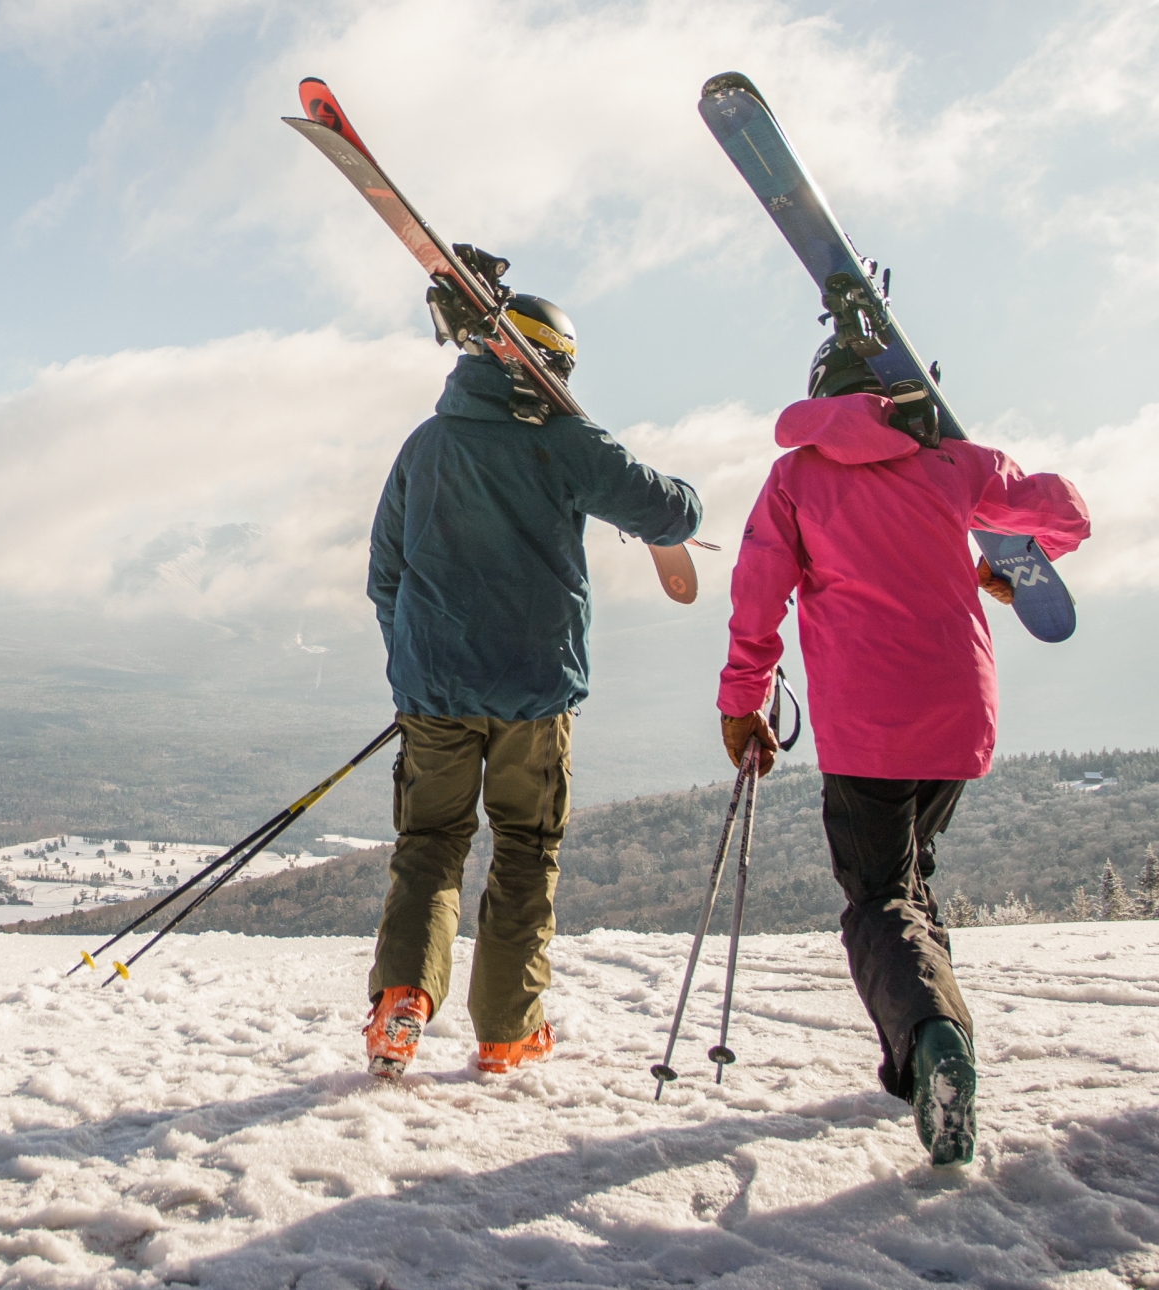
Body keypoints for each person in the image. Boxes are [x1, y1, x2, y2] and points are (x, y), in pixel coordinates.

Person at [716, 337, 1088, 1165]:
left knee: (879, 895)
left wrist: (743, 702)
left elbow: (756, 597)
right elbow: (1067, 514)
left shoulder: (798, 478)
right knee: (910, 878)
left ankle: (931, 1042)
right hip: (959, 714)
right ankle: (924, 1052)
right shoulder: (954, 466)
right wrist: (1018, 564)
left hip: (869, 724)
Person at [364, 291, 703, 1079]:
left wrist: (413, 663)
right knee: (525, 845)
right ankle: (508, 1032)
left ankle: (402, 1001)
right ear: (552, 364)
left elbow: (386, 577)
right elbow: (673, 515)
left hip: (433, 691)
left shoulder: (427, 446)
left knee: (431, 844)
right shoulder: (567, 443)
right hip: (535, 692)